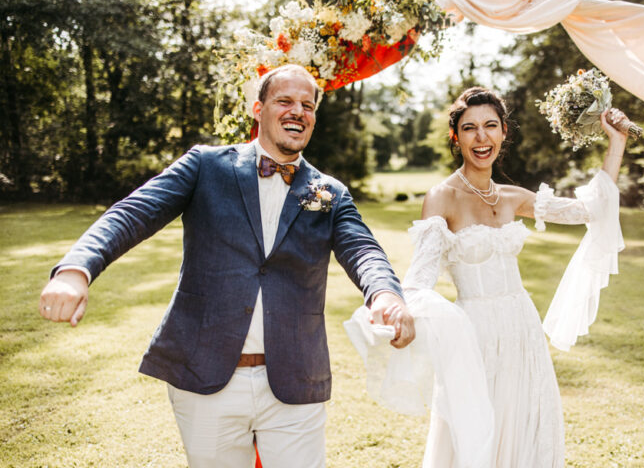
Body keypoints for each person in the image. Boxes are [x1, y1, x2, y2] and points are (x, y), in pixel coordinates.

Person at [38, 64, 415, 468]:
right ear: (258, 108)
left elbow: (364, 250)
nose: (297, 111)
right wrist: (76, 271)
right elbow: (132, 214)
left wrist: (385, 295)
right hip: (206, 377)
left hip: (295, 378)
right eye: (285, 100)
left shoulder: (329, 192)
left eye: (308, 105)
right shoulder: (206, 166)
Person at [400, 86, 628, 467]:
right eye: (470, 128)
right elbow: (418, 280)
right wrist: (412, 314)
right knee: (472, 437)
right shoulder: (443, 197)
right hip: (473, 336)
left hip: (522, 330)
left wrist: (615, 143)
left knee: (524, 430)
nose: (481, 137)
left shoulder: (513, 196)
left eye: (491, 125)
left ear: (504, 131)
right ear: (456, 137)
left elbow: (588, 210)